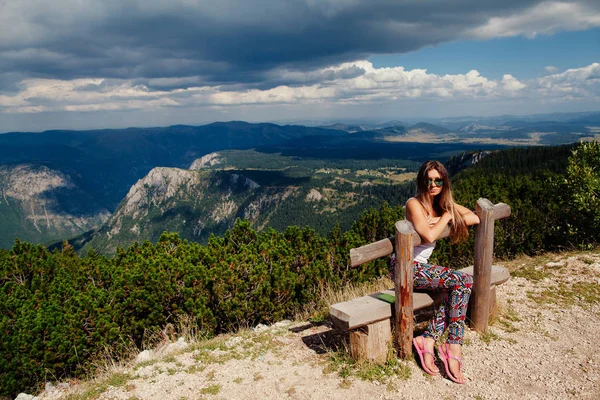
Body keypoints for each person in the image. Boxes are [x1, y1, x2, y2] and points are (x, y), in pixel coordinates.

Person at [395, 160, 479, 384]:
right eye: (428, 180)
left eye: (438, 180)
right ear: (422, 181)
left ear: (444, 182)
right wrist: (446, 217)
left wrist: (448, 209)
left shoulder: (441, 204)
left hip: (420, 268)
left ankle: (430, 338)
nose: (433, 184)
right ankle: (452, 345)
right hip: (405, 267)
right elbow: (429, 236)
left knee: (461, 284)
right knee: (463, 281)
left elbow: (474, 217)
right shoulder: (414, 204)